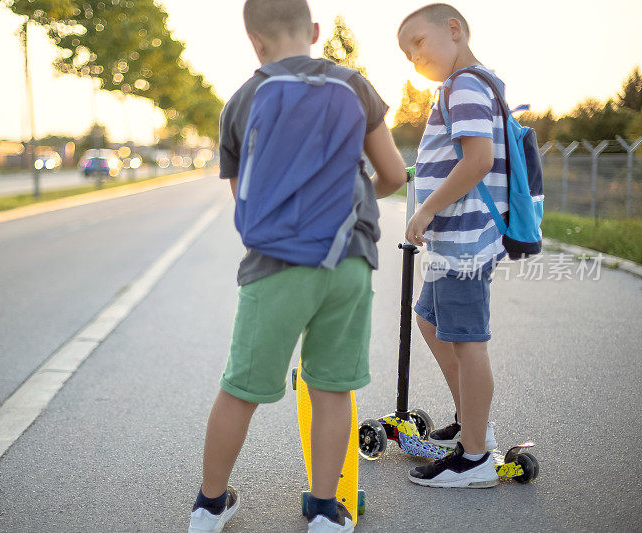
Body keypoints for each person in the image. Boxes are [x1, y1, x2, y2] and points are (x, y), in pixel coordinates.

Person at [188, 1, 407, 531]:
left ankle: (210, 507)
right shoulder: (354, 84)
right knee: (332, 388)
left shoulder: (242, 100)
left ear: (255, 42)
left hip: (277, 266)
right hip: (349, 261)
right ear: (313, 31)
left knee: (241, 388)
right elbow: (395, 174)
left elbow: (245, 197)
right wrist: (353, 207)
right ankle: (325, 512)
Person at [397, 3, 508, 488]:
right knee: (430, 319)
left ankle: (476, 457)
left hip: (462, 238)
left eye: (417, 43)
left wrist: (425, 209)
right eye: (405, 53)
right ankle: (469, 423)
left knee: (465, 339)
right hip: (454, 238)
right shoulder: (473, 84)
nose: (412, 58)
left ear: (454, 30)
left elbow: (478, 160)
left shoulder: (464, 85)